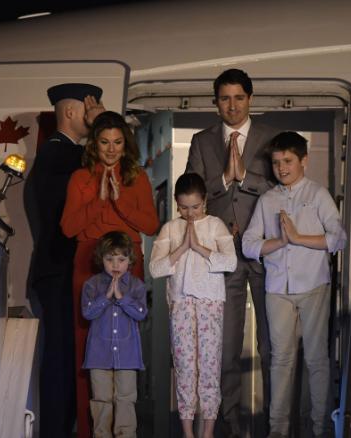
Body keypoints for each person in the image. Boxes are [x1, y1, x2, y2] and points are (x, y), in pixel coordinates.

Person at [185, 68, 278, 437]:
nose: (232, 105)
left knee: (272, 342)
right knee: (224, 345)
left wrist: (247, 179)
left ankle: (276, 418)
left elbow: (281, 185)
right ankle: (229, 420)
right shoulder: (202, 140)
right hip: (220, 256)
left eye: (239, 97)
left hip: (266, 253)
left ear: (250, 99)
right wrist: (224, 179)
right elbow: (191, 193)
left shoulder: (271, 138)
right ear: (216, 103)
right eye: (225, 98)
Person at [241, 132, 347, 438]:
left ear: (303, 161)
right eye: (276, 163)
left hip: (314, 285)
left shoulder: (318, 194)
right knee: (280, 360)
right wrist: (278, 242)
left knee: (316, 359)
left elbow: (338, 237)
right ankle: (278, 430)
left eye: (287, 161)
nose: (281, 168)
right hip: (277, 289)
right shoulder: (268, 199)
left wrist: (299, 239)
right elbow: (248, 245)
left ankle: (321, 429)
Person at [61, 110, 159, 438]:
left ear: (125, 144)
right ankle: (92, 431)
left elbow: (150, 225)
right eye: (104, 142)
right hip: (88, 260)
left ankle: (125, 430)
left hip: (129, 263)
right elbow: (68, 227)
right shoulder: (81, 177)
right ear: (95, 144)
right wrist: (99, 202)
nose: (111, 148)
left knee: (127, 340)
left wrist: (120, 204)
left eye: (117, 142)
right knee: (87, 346)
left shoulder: (137, 177)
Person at [23, 82, 104, 438]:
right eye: (89, 109)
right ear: (71, 112)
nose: (92, 115)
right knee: (62, 358)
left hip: (59, 272)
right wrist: (103, 125)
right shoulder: (61, 154)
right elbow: (105, 163)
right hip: (59, 272)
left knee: (69, 355)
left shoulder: (62, 153)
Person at [149, 173, 238, 438]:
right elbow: (155, 268)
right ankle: (187, 433)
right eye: (185, 207)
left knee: (209, 368)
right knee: (185, 368)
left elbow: (230, 262)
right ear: (177, 203)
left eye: (195, 207)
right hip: (181, 305)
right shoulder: (170, 229)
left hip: (210, 303)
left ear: (205, 202)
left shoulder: (215, 225)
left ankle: (207, 432)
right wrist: (182, 247)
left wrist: (198, 247)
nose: (190, 213)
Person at [81, 231, 147, 438]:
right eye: (110, 259)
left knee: (126, 399)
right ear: (102, 259)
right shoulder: (92, 285)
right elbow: (88, 312)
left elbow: (140, 313)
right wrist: (106, 295)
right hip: (98, 356)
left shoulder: (137, 286)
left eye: (121, 259)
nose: (115, 264)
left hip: (128, 357)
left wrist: (121, 296)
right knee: (101, 400)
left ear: (130, 260)